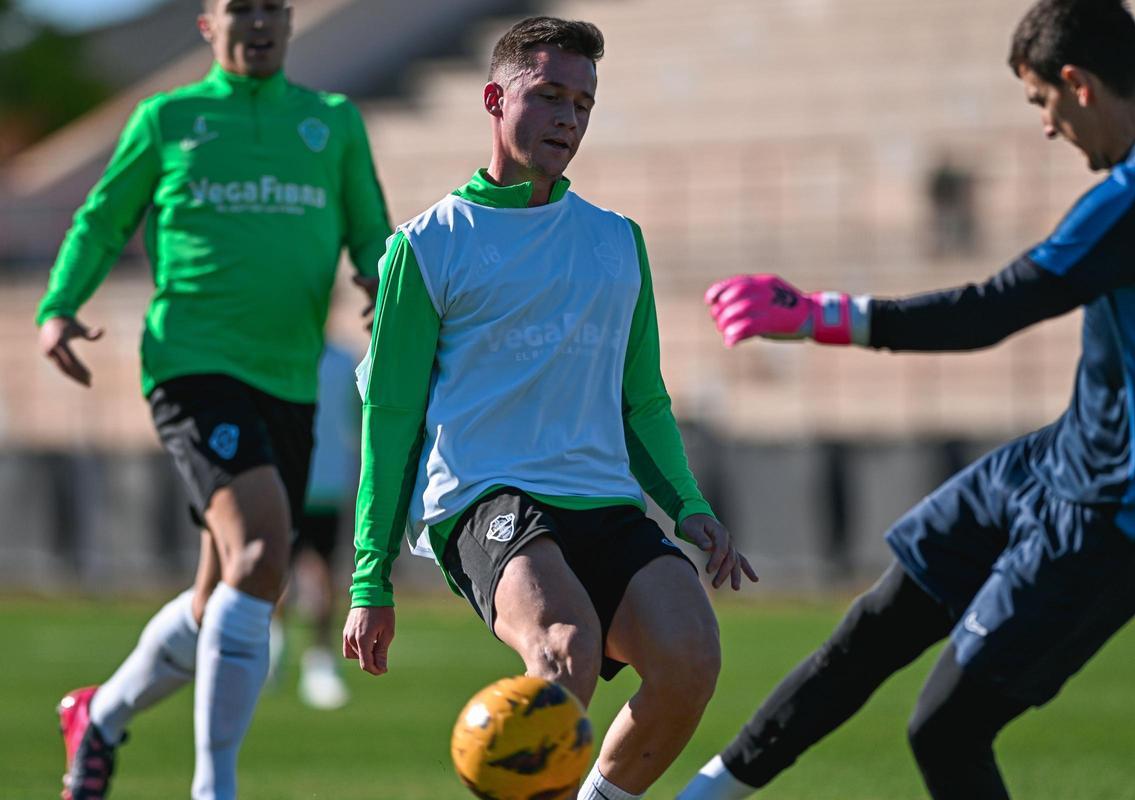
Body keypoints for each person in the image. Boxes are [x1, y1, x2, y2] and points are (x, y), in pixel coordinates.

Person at [680, 0, 1135, 797]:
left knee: (947, 726)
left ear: (1078, 85)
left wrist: (822, 317)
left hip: (1113, 514)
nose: (1048, 130)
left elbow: (997, 308)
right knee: (870, 630)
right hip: (1049, 465)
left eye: (1042, 104)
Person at [341, 16, 757, 800]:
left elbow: (642, 401)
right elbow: (389, 418)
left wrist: (688, 505)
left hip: (603, 499)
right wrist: (371, 581)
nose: (569, 117)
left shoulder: (614, 240)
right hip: (485, 497)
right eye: (550, 95)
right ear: (496, 98)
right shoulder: (427, 245)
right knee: (564, 648)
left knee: (691, 657)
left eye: (583, 103)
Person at [40, 0, 390, 796]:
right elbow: (101, 220)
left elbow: (369, 228)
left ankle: (98, 716)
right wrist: (59, 305)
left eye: (274, 8)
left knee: (219, 598)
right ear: (208, 23)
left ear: (292, 22)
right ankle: (215, 785)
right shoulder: (170, 118)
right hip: (193, 365)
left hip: (292, 378)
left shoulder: (331, 122)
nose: (258, 22)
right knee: (264, 552)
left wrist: (379, 280)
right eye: (242, 9)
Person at [270, 342, 360, 710]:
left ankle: (320, 662)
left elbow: (359, 421)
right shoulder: (275, 353)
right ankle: (272, 649)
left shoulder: (343, 362)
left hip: (324, 485)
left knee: (321, 572)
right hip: (280, 481)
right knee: (274, 573)